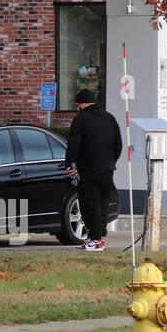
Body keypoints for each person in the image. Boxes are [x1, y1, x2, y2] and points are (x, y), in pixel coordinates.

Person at [63, 88, 122, 251]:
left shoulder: (81, 119)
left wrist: (70, 165)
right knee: (103, 202)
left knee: (90, 203)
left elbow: (74, 145)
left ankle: (95, 239)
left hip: (88, 169)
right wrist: (112, 161)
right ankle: (99, 237)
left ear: (81, 104)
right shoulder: (110, 118)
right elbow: (118, 144)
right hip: (107, 169)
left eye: (77, 105)